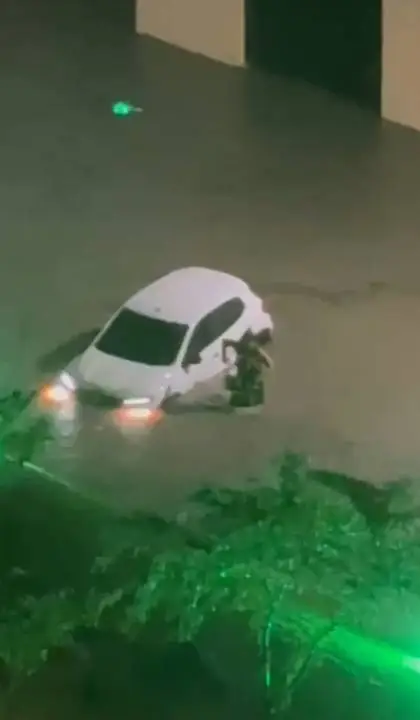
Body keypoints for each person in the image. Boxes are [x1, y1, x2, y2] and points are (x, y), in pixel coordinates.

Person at [222, 330, 273, 411]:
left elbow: (226, 342)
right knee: (246, 377)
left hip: (246, 364)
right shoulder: (249, 344)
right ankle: (241, 397)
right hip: (245, 363)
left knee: (248, 377)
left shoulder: (251, 345)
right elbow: (226, 342)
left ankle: (243, 397)